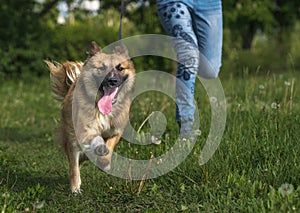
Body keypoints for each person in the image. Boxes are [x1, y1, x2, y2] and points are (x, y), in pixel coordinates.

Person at [156, 0, 223, 136]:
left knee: (210, 70)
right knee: (189, 54)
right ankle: (186, 126)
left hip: (209, 3)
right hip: (173, 2)